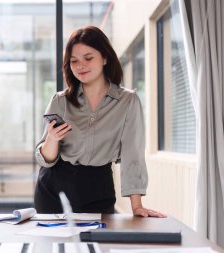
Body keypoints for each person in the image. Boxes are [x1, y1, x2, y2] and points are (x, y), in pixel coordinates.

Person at [34, 26, 165, 218]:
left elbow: (133, 154)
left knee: (97, 245)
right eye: (74, 61)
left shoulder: (127, 102)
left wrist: (136, 206)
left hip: (98, 188)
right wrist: (52, 139)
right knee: (56, 247)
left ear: (104, 58)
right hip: (53, 189)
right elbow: (45, 159)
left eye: (88, 58)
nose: (80, 66)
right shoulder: (60, 101)